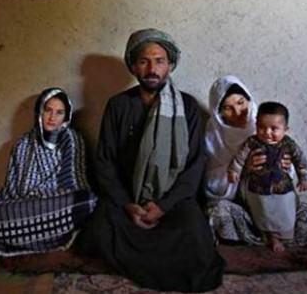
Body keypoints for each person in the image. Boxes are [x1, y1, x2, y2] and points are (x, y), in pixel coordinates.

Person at [80, 28, 225, 292]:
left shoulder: (187, 106)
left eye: (159, 61)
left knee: (195, 232)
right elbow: (105, 161)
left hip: (173, 200)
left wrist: (162, 206)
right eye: (144, 61)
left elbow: (194, 165)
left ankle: (140, 258)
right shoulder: (118, 105)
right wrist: (128, 205)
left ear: (170, 65)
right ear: (133, 66)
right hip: (128, 198)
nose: (152, 69)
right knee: (101, 225)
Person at [204, 75, 307, 247]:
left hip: (277, 204)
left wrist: (289, 168)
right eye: (228, 108)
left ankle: (274, 236)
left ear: (249, 100)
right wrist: (243, 170)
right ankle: (268, 236)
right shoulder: (213, 136)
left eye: (241, 102)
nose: (238, 112)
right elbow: (210, 185)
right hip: (243, 208)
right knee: (218, 214)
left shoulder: (267, 124)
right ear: (218, 112)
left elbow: (291, 167)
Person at [0, 87, 97, 257]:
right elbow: (20, 190)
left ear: (66, 117)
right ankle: (42, 233)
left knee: (87, 201)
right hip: (27, 204)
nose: (52, 117)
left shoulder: (71, 139)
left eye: (59, 113)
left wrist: (50, 197)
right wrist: (38, 199)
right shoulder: (24, 143)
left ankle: (27, 233)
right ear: (39, 112)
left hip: (57, 203)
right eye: (48, 110)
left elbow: (75, 181)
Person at [228, 101, 307, 252]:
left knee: (286, 211)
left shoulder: (289, 144)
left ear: (285, 129)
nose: (267, 133)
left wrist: (304, 177)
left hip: (283, 187)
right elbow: (239, 159)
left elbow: (300, 160)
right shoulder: (252, 142)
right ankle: (271, 237)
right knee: (263, 212)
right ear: (256, 125)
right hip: (258, 188)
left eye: (274, 129)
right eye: (261, 127)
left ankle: (286, 236)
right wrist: (234, 171)